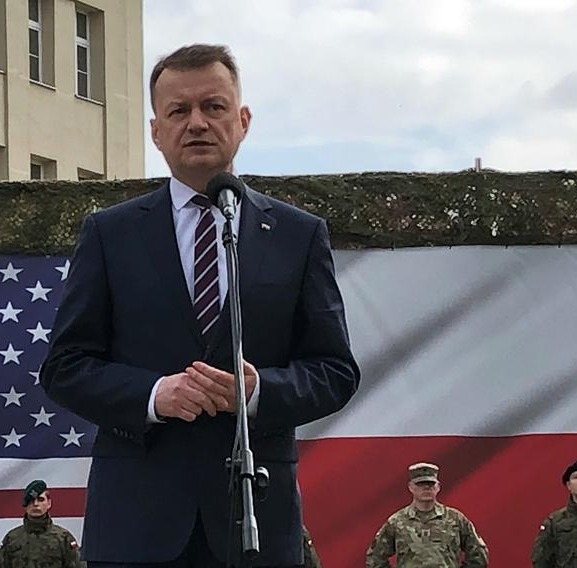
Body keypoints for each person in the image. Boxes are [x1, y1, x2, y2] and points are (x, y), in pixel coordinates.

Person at [41, 43, 360, 567]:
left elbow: (334, 371)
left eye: (213, 107)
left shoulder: (296, 236)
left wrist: (258, 393)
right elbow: (64, 367)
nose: (197, 123)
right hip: (136, 528)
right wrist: (153, 394)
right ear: (156, 131)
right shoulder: (109, 234)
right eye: (178, 111)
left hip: (254, 525)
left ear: (243, 120)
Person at [365, 463, 488, 568]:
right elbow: (375, 558)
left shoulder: (455, 519)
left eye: (430, 483)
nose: (426, 487)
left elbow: (479, 555)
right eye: (421, 484)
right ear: (411, 487)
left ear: (438, 487)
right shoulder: (397, 522)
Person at [0, 479, 84, 568]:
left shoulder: (64, 538)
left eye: (40, 500)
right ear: (25, 505)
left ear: (49, 503)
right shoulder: (12, 539)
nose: (36, 504)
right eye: (31, 500)